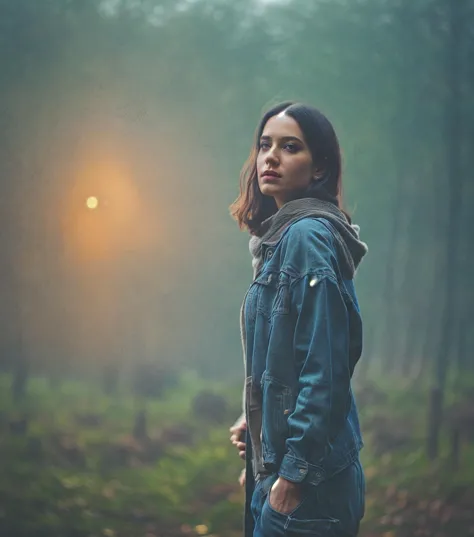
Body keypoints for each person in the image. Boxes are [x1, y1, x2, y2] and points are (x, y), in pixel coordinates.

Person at [228, 102, 368, 537]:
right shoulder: (282, 239)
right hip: (283, 479)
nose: (271, 157)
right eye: (265, 145)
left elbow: (323, 371)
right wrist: (261, 421)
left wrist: (290, 479)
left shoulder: (307, 238)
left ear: (319, 167)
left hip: (309, 491)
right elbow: (289, 358)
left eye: (290, 147)